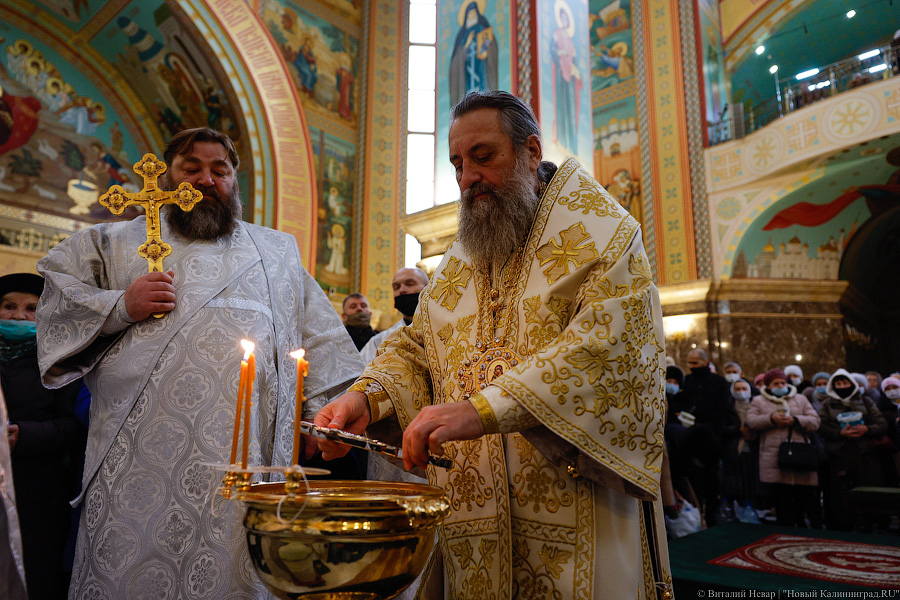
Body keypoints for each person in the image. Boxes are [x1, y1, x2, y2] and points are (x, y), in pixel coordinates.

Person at [313, 91, 671, 599]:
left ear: (530, 152)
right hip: (469, 511)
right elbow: (417, 349)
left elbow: (607, 351)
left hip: (573, 506)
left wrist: (483, 409)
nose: (468, 178)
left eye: (484, 157)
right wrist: (367, 398)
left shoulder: (602, 235)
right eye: (459, 164)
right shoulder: (464, 254)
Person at [36, 127, 364, 599]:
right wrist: (121, 306)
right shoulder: (113, 243)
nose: (207, 180)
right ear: (166, 178)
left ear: (235, 180)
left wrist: (325, 417)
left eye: (220, 170)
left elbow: (320, 340)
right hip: (140, 457)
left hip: (248, 456)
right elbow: (56, 298)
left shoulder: (276, 251)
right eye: (192, 169)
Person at [2, 273, 86, 599]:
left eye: (30, 309)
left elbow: (74, 426)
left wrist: (24, 436)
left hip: (38, 492)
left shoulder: (59, 360)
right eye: (9, 306)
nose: (18, 316)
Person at [746, 368, 821, 529]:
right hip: (774, 456)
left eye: (783, 382)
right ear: (768, 386)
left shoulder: (800, 399)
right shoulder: (759, 401)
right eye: (776, 383)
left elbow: (815, 421)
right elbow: (751, 421)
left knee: (805, 499)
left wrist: (796, 420)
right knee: (782, 502)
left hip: (800, 455)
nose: (780, 385)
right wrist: (771, 419)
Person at [817, 369, 888, 531]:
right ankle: (843, 526)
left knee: (868, 491)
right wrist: (838, 433)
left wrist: (866, 429)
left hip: (864, 452)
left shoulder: (865, 401)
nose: (842, 386)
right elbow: (820, 426)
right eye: (838, 384)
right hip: (839, 453)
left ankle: (871, 524)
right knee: (841, 494)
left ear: (852, 384)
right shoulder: (827, 404)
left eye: (845, 383)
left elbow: (882, 425)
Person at [682, 347, 739, 525]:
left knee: (712, 480)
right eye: (689, 363)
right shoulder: (687, 381)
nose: (692, 366)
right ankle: (697, 517)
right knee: (694, 480)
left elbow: (722, 411)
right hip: (690, 438)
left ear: (705, 362)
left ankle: (713, 516)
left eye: (695, 363)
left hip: (712, 439)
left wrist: (711, 430)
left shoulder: (719, 383)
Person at [359, 267, 430, 364]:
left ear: (428, 288)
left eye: (409, 284)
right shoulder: (380, 341)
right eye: (396, 287)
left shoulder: (447, 330)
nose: (402, 290)